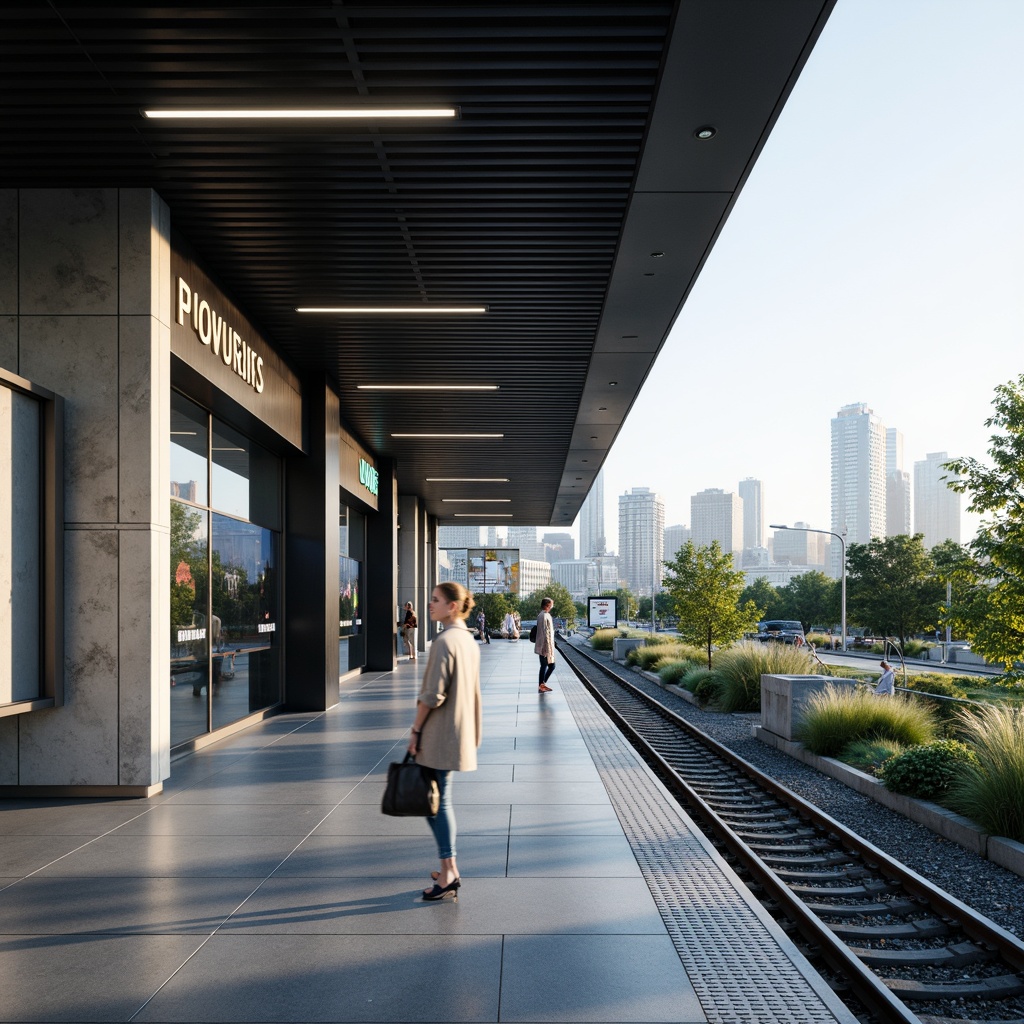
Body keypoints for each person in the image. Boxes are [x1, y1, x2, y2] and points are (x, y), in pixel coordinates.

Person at [409, 582, 482, 902]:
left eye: (436, 600)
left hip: (439, 734)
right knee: (438, 800)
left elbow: (432, 695)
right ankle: (449, 866)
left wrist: (415, 730)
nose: (430, 604)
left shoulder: (444, 642)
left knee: (435, 804)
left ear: (452, 606)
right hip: (459, 730)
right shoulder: (467, 639)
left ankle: (449, 871)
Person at [534, 596, 556, 693]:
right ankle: (541, 685)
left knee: (550, 666)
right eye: (551, 604)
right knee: (545, 665)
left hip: (547, 646)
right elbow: (544, 632)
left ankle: (542, 684)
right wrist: (546, 647)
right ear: (547, 605)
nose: (552, 606)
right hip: (544, 646)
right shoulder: (543, 616)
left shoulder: (545, 615)